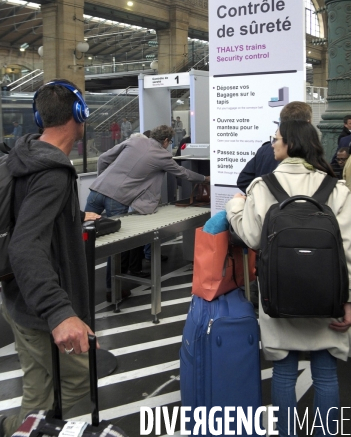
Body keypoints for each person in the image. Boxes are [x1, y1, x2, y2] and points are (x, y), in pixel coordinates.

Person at [226, 120, 351, 436]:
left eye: (276, 139)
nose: (272, 145)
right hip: (327, 296)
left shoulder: (262, 186)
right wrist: (349, 300)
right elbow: (348, 250)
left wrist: (235, 206)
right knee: (326, 374)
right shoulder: (335, 188)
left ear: (289, 144)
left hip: (278, 292)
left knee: (284, 374)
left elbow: (251, 237)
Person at [0, 80, 100, 437]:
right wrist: (62, 313)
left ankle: (27, 427)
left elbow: (23, 218)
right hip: (43, 309)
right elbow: (25, 244)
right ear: (79, 115)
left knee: (38, 387)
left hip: (17, 298)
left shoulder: (22, 155)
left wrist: (71, 218)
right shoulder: (54, 172)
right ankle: (21, 429)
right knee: (77, 383)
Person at [85, 125, 209, 300]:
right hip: (117, 198)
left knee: (82, 238)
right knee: (115, 246)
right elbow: (182, 173)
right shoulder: (162, 155)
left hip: (96, 191)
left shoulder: (134, 141)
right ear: (166, 141)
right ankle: (112, 291)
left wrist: (103, 179)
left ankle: (78, 286)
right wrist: (205, 178)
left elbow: (103, 158)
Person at [237, 101, 312, 193]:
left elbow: (243, 180)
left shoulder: (264, 150)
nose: (274, 146)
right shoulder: (309, 151)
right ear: (308, 122)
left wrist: (260, 196)